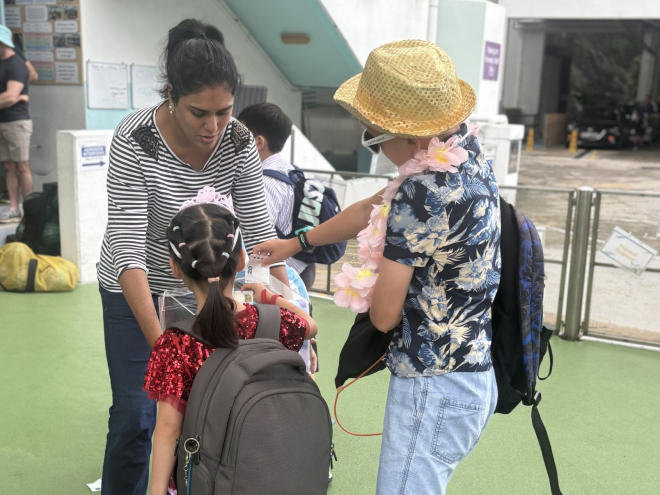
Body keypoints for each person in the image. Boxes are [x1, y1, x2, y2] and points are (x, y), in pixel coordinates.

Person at [255, 40, 500, 495]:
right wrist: (296, 243)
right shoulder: (468, 156)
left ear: (409, 137)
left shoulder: (421, 192)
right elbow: (373, 207)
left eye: (374, 135)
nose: (374, 144)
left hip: (432, 386)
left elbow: (385, 315)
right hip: (474, 376)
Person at [96, 19, 289, 495]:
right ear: (171, 96)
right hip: (135, 286)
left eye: (224, 111)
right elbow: (126, 247)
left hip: (205, 290)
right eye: (199, 112)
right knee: (136, 413)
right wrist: (164, 348)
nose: (213, 126)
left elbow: (261, 236)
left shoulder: (240, 140)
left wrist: (290, 307)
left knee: (208, 410)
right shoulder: (134, 138)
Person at [144, 200, 317, 495]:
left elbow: (168, 429)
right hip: (272, 468)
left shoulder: (176, 343)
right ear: (240, 260)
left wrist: (157, 491)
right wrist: (269, 298)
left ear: (175, 267)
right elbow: (310, 326)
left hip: (210, 480)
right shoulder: (275, 322)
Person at [237, 102, 316, 290]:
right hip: (303, 266)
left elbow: (260, 243)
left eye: (239, 136)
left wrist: (253, 283)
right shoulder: (292, 171)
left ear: (258, 142)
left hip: (285, 274)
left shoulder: (263, 182)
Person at [0, 25, 32, 223]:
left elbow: (10, 97)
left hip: (17, 121)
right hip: (2, 121)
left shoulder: (16, 64)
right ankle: (13, 207)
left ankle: (30, 208)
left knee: (22, 166)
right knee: (8, 165)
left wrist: (15, 97)